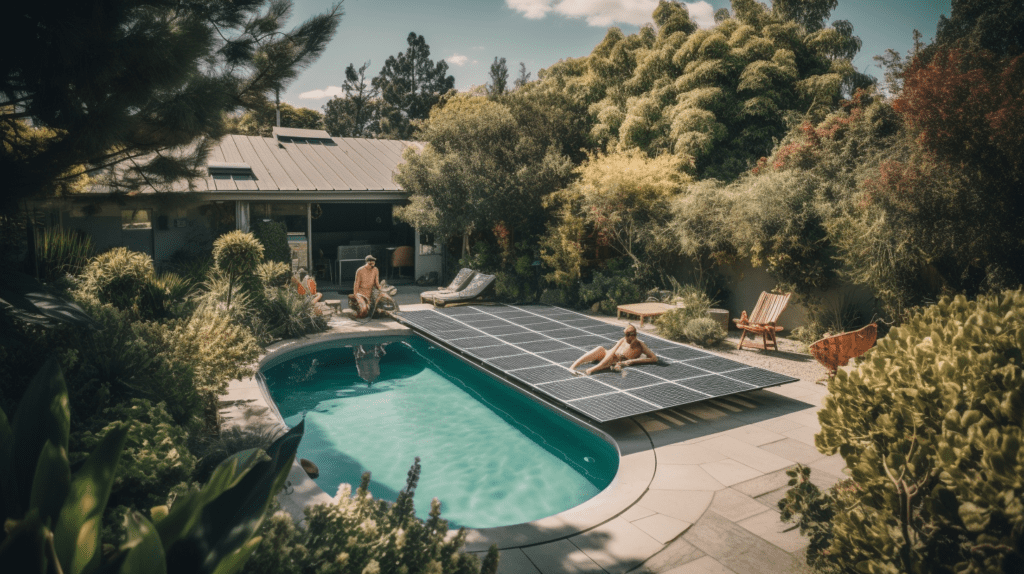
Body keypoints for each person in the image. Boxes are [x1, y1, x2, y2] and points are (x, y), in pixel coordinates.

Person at [570, 324, 658, 375]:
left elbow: (654, 358)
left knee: (613, 359)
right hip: (609, 355)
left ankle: (591, 370)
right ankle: (573, 367)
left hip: (616, 360)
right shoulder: (622, 340)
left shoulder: (640, 345)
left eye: (627, 335)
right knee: (600, 349)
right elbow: (611, 352)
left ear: (633, 335)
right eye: (625, 335)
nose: (625, 338)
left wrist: (634, 361)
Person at [350, 254, 380, 318]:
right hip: (361, 293)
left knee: (377, 310)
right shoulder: (360, 270)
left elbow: (377, 282)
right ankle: (357, 313)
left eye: (373, 262)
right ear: (367, 262)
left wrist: (381, 290)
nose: (372, 264)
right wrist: (355, 294)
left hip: (370, 293)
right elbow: (356, 283)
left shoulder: (375, 269)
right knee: (364, 310)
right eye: (370, 263)